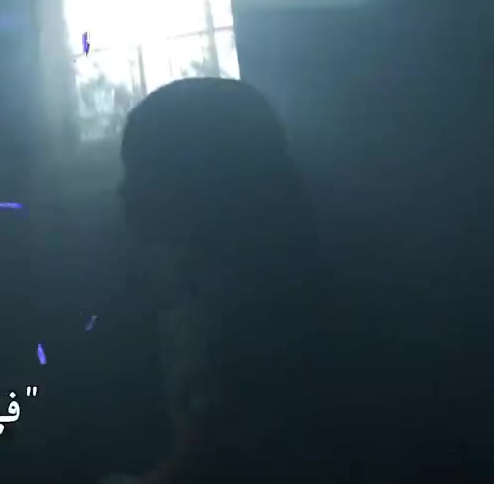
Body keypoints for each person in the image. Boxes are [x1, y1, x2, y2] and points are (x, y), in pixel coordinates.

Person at [101, 77, 354, 483]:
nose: (124, 190)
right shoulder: (213, 286)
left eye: (144, 171)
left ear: (203, 180)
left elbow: (210, 461)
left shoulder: (247, 315)